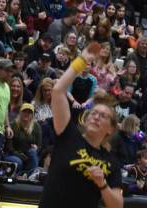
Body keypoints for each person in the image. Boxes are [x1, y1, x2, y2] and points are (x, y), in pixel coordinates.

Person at [39, 43, 123, 208]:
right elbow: (58, 91)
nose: (96, 117)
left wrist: (102, 184)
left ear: (111, 129)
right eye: (94, 113)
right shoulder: (68, 134)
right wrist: (81, 61)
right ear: (86, 118)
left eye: (103, 116)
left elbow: (117, 205)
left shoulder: (111, 162)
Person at [4, 103, 42, 174]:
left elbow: (39, 145)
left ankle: (28, 176)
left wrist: (36, 148)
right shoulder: (13, 125)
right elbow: (8, 147)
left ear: (33, 115)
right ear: (20, 113)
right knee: (18, 161)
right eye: (24, 111)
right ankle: (19, 175)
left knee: (33, 152)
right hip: (13, 154)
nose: (27, 114)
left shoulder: (36, 126)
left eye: (29, 112)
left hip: (29, 155)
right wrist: (20, 155)